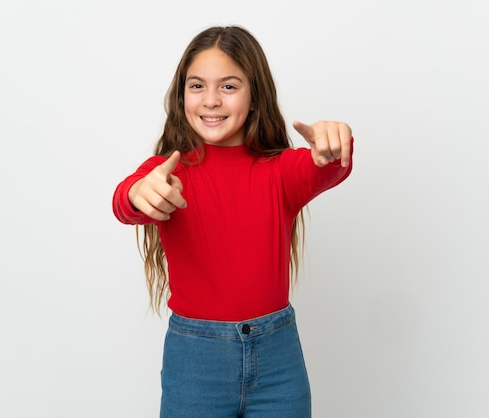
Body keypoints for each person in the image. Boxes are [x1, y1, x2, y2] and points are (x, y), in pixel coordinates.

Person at [112, 25, 353, 418]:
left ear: (254, 96)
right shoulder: (169, 172)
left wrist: (334, 142)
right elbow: (126, 200)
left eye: (228, 86)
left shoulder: (280, 173)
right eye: (196, 86)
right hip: (195, 362)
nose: (210, 101)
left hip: (279, 362)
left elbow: (328, 167)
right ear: (181, 95)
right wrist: (139, 193)